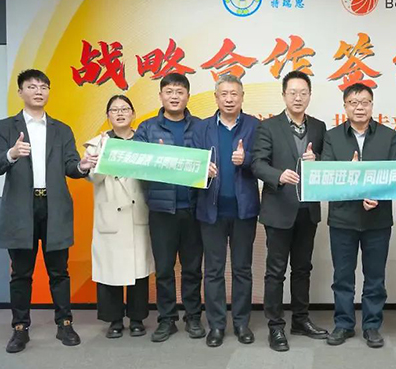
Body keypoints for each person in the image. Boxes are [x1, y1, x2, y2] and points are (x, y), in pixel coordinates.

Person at [0, 69, 97, 353]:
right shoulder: (5, 127)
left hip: (54, 206)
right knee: (21, 273)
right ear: (20, 92)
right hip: (20, 209)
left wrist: (82, 166)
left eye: (43, 87)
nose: (38, 91)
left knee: (59, 271)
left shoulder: (61, 129)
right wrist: (11, 154)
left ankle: (65, 324)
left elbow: (71, 165)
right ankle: (19, 328)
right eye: (32, 86)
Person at [252, 70, 328, 352]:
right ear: (284, 95)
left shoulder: (319, 127)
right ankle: (275, 325)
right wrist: (278, 175)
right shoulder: (268, 127)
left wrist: (317, 160)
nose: (298, 97)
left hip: (308, 210)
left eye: (303, 93)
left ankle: (300, 319)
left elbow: (329, 161)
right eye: (293, 92)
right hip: (278, 209)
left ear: (310, 95)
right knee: (275, 271)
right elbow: (257, 163)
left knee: (303, 268)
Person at [322, 82, 396, 349]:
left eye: (365, 102)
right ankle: (343, 324)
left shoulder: (389, 136)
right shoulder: (332, 136)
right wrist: (349, 172)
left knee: (375, 277)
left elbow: (394, 175)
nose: (359, 107)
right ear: (345, 107)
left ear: (372, 105)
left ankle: (371, 325)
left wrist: (377, 194)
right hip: (342, 218)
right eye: (354, 103)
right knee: (342, 277)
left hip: (377, 219)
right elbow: (327, 175)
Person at [133, 73, 204, 343]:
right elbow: (136, 165)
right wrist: (156, 158)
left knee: (192, 268)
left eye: (180, 92)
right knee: (164, 269)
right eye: (169, 92)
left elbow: (211, 162)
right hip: (162, 210)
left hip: (194, 209)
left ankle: (193, 317)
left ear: (188, 96)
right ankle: (167, 319)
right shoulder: (147, 128)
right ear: (161, 96)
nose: (174, 96)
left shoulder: (200, 127)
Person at [191, 74, 260, 347]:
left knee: (242, 269)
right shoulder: (202, 128)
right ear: (216, 98)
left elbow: (264, 162)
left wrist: (247, 159)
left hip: (244, 211)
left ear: (242, 97)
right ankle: (217, 326)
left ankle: (242, 323)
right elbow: (191, 163)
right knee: (214, 271)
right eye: (224, 94)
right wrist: (202, 170)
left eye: (234, 94)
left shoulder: (255, 126)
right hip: (211, 210)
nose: (229, 99)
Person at [83, 95, 155, 339]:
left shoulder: (143, 141)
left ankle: (137, 318)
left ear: (133, 114)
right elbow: (93, 178)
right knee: (110, 269)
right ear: (108, 116)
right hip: (111, 213)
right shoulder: (97, 144)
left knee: (138, 269)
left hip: (137, 211)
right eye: (114, 110)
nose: (120, 113)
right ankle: (114, 319)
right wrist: (101, 157)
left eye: (125, 109)